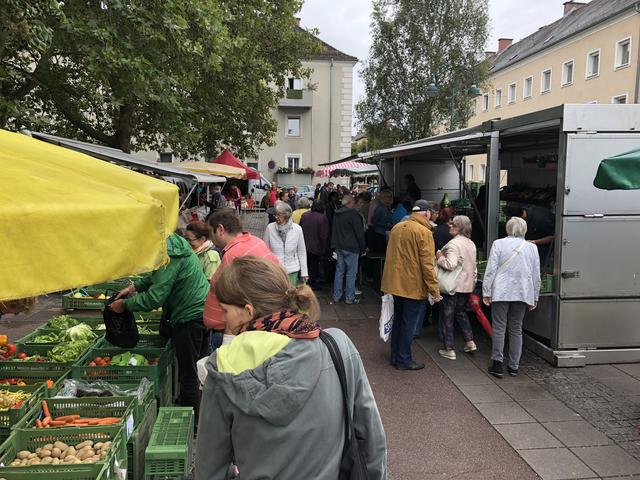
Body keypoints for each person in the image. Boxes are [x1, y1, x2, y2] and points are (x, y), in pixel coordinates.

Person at [195, 257, 388, 480]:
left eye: (225, 311)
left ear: (248, 311)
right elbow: (371, 440)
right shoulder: (338, 346)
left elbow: (209, 468)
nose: (224, 321)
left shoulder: (223, 366)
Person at [110, 232, 210, 418]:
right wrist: (135, 287)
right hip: (202, 310)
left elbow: (154, 298)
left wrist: (125, 305)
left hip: (189, 316)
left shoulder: (170, 256)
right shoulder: (174, 246)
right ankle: (203, 409)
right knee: (201, 364)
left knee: (189, 371)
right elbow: (159, 276)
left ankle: (193, 420)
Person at [204, 208, 279, 343]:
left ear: (220, 230)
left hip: (234, 332)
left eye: (211, 233)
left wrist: (227, 341)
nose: (210, 239)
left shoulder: (233, 255)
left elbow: (234, 301)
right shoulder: (256, 241)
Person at [381, 200, 441, 370]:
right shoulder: (424, 232)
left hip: (394, 283)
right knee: (408, 324)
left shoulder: (397, 228)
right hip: (412, 285)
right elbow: (428, 265)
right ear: (426, 213)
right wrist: (434, 291)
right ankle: (404, 359)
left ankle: (395, 356)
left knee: (399, 321)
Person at [483, 216, 540, 378]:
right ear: (524, 230)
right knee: (516, 328)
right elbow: (536, 274)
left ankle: (497, 363)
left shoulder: (498, 244)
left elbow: (491, 270)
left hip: (501, 291)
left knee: (499, 327)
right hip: (522, 292)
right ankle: (514, 365)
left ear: (508, 228)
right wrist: (534, 296)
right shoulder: (531, 248)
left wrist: (486, 292)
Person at [435, 215, 478, 360]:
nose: (450, 226)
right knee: (461, 312)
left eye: (453, 225)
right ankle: (470, 341)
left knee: (448, 316)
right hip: (466, 286)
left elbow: (450, 264)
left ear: (460, 228)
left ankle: (449, 349)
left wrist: (439, 256)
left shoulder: (453, 244)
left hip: (452, 286)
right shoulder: (471, 243)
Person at [331, 195, 366, 305]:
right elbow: (359, 233)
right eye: (354, 202)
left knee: (339, 271)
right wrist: (363, 247)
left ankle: (336, 296)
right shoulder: (353, 214)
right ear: (350, 202)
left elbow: (334, 230)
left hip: (339, 246)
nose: (355, 204)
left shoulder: (336, 213)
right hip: (351, 247)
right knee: (351, 273)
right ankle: (349, 298)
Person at [263, 201, 308, 285]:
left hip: (292, 270)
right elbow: (265, 250)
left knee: (290, 295)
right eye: (275, 214)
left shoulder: (297, 229)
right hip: (275, 270)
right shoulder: (270, 228)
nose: (276, 217)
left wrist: (304, 272)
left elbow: (301, 252)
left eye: (278, 215)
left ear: (286, 216)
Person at [505, 203, 555, 270]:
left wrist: (534, 242)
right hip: (529, 245)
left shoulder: (541, 219)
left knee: (539, 268)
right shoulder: (524, 210)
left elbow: (553, 237)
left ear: (517, 218)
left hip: (544, 248)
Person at [300, 200, 330, 290]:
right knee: (314, 265)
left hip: (304, 244)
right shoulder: (322, 218)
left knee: (307, 264)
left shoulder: (304, 215)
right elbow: (324, 235)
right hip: (316, 245)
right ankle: (313, 283)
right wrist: (325, 248)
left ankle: (306, 281)